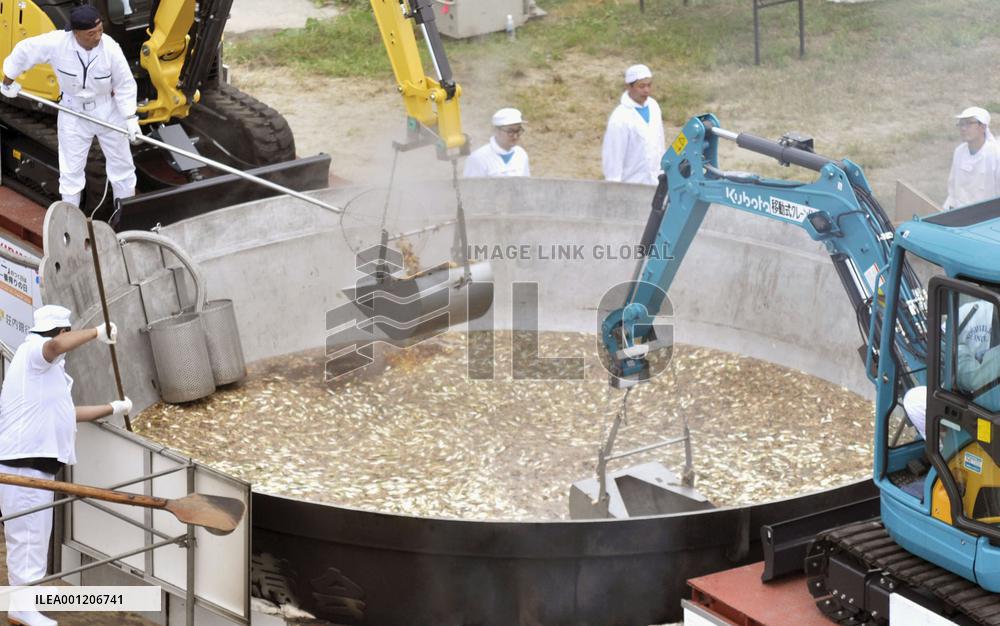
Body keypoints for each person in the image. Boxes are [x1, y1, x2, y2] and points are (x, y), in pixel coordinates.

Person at [0, 305, 131, 626]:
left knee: (33, 536)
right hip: (23, 465)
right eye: (67, 332)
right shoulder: (33, 353)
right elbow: (55, 346)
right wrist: (97, 332)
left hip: (36, 466)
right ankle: (21, 609)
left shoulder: (50, 375)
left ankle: (23, 607)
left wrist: (113, 407)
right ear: (59, 332)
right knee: (27, 538)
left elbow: (68, 414)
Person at [0, 5, 141, 209]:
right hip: (73, 111)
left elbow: (125, 84)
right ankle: (70, 219)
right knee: (71, 173)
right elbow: (25, 50)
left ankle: (127, 214)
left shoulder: (110, 48)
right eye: (91, 33)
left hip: (107, 110)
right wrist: (8, 81)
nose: (98, 36)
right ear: (76, 33)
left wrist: (130, 118)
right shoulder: (57, 43)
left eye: (100, 30)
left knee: (123, 168)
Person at [903, 300, 996, 439]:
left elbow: (972, 379)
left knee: (913, 400)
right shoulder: (971, 312)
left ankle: (939, 448)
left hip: (984, 406)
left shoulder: (975, 310)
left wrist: (958, 351)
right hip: (982, 400)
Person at [601, 63, 665, 185]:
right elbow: (613, 156)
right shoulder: (620, 118)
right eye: (641, 86)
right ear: (629, 87)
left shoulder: (654, 106)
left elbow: (660, 142)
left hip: (655, 183)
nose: (646, 90)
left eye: (649, 85)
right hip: (631, 184)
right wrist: (613, 186)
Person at [943, 106, 1000, 210]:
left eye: (969, 123)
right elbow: (953, 187)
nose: (963, 128)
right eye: (961, 124)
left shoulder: (995, 154)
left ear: (983, 127)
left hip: (989, 216)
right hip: (961, 214)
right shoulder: (959, 152)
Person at [463, 108, 530, 178]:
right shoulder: (478, 158)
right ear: (496, 130)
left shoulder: (521, 154)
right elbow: (471, 187)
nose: (515, 136)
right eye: (510, 131)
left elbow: (526, 185)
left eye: (518, 131)